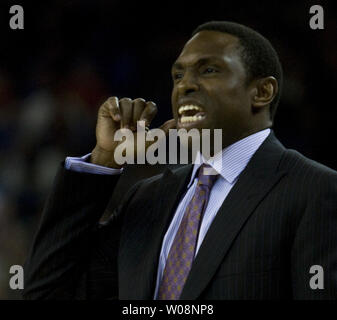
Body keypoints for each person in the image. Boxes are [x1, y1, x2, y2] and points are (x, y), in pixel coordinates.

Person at [23, 21, 337, 300]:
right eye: (178, 74)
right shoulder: (147, 198)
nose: (184, 85)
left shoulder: (315, 190)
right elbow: (48, 291)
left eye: (209, 69)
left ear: (262, 92)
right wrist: (106, 158)